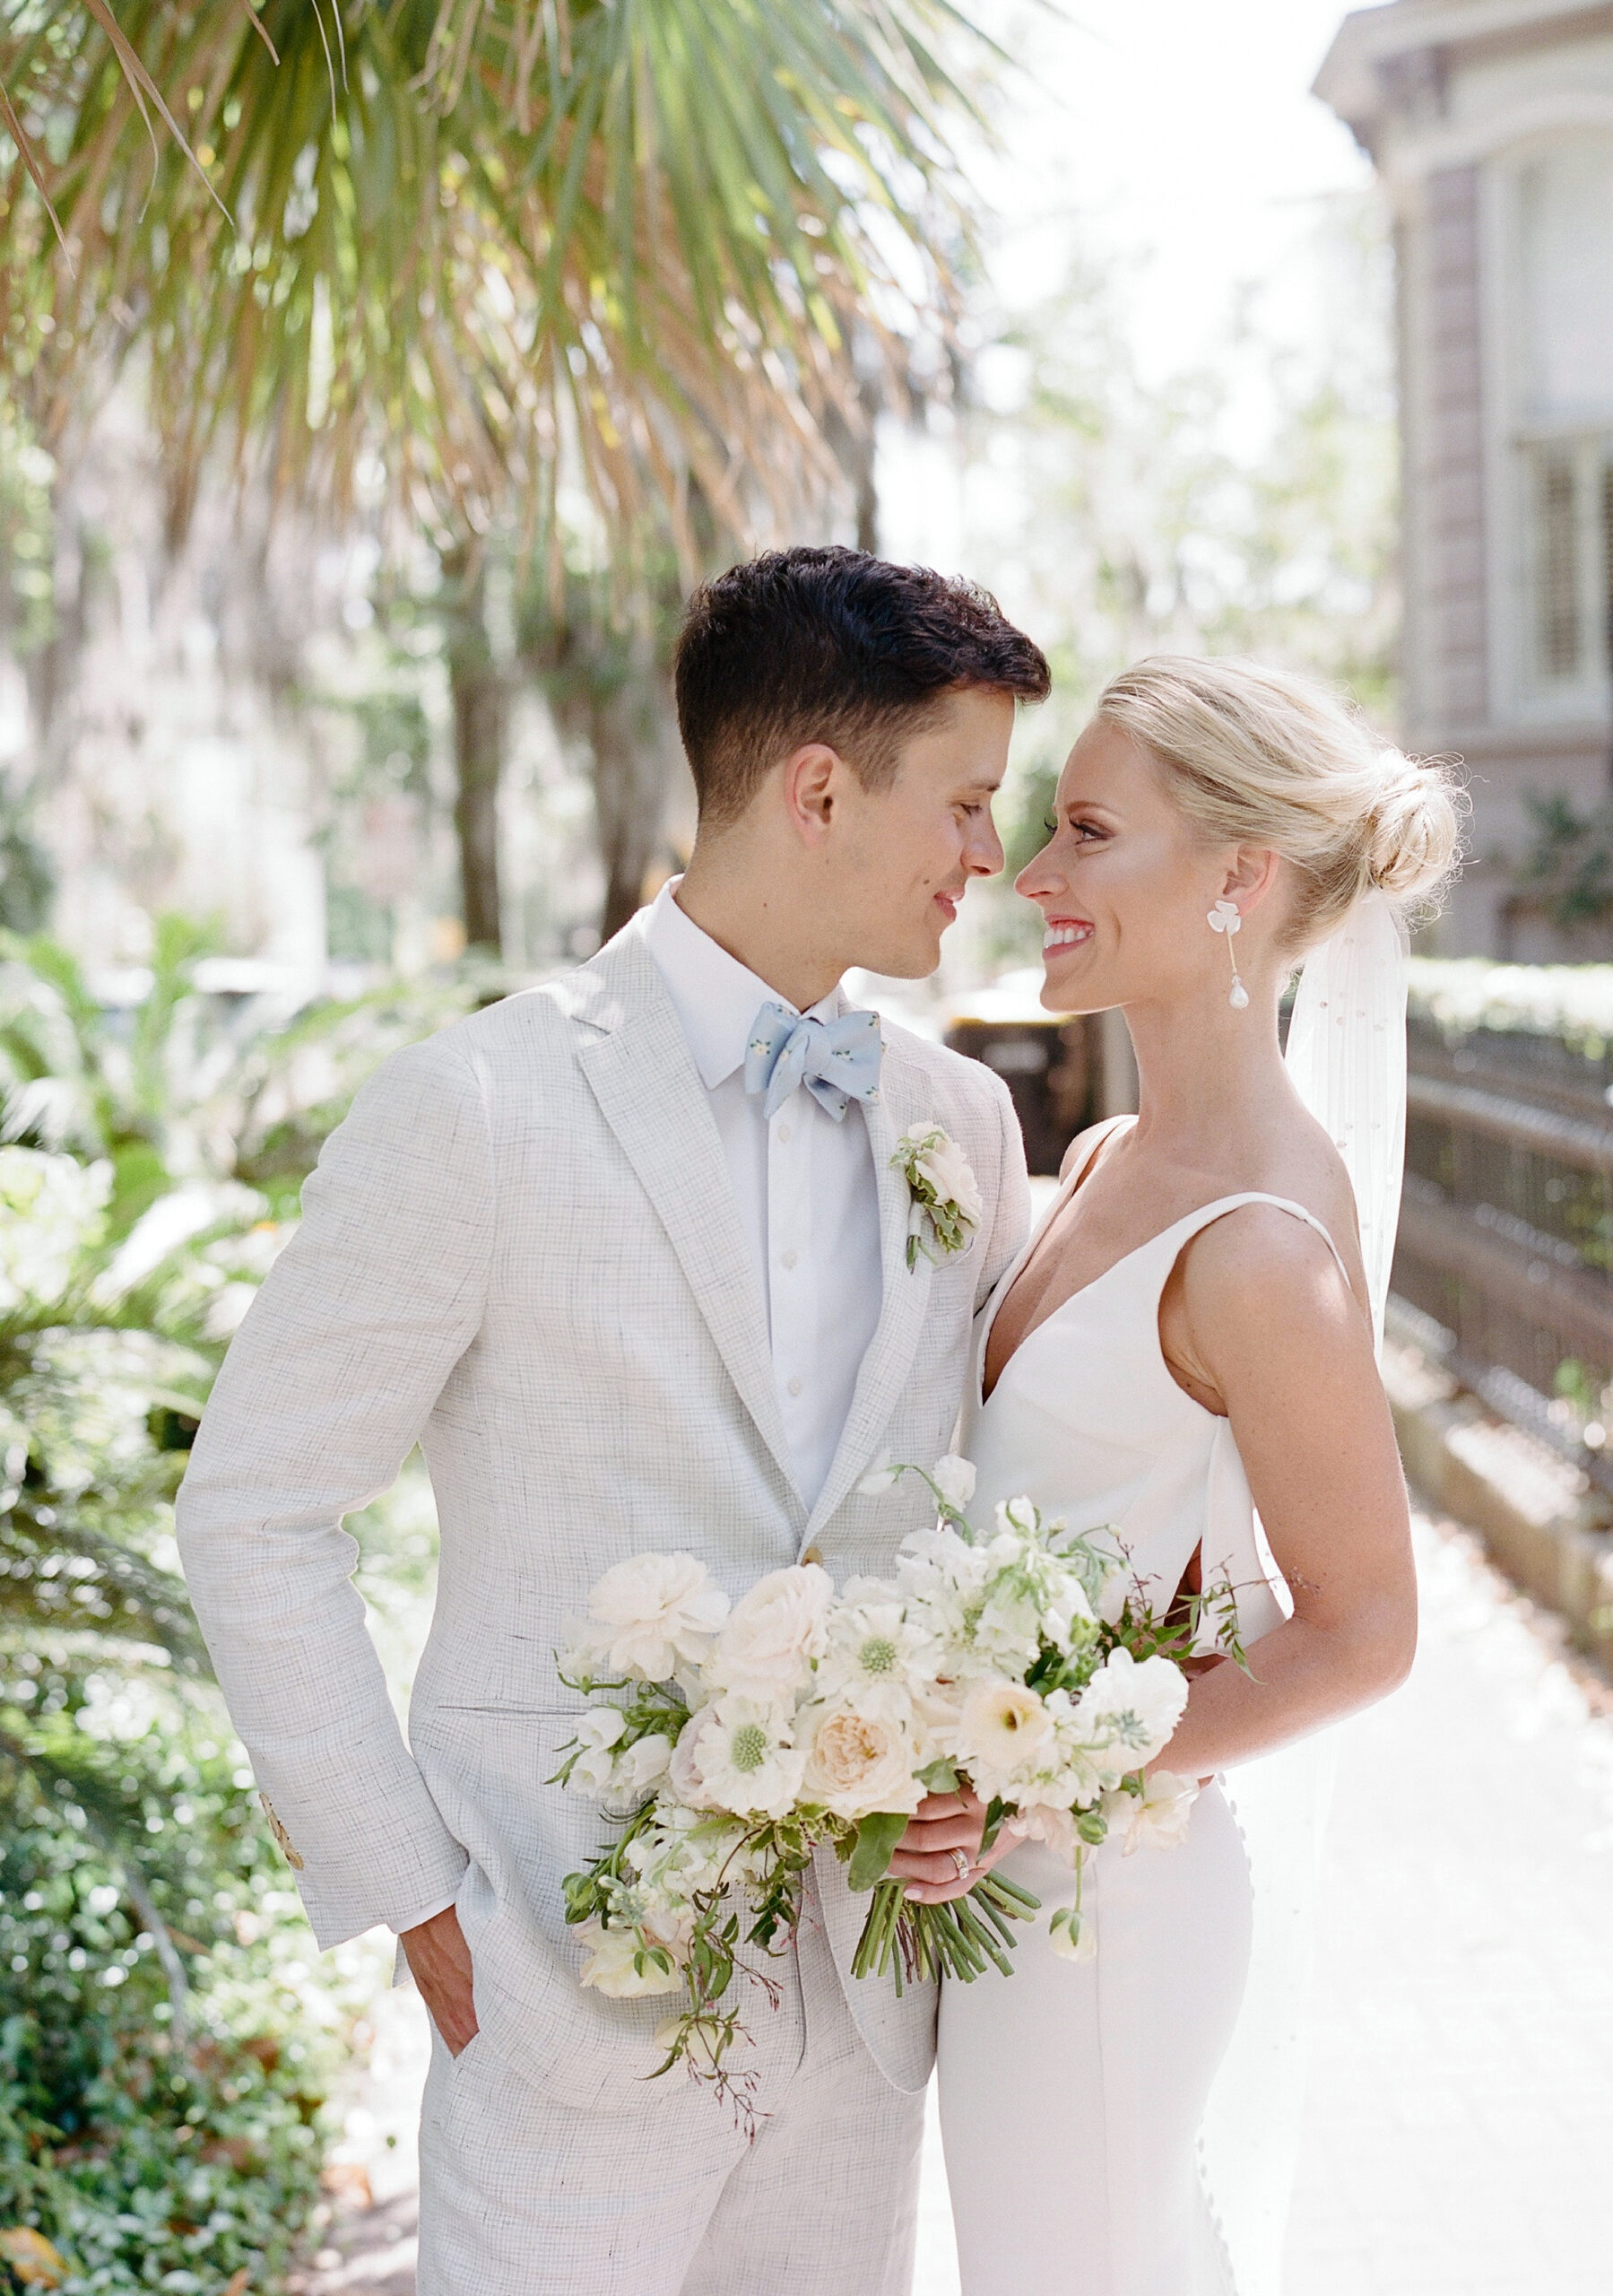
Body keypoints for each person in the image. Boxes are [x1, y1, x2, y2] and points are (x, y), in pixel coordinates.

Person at [172, 545, 1048, 2296]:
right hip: (560, 2003)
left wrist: (976, 1774)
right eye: (964, 802)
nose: (988, 856)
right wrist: (411, 1882)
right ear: (816, 789)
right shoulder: (475, 1102)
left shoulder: (961, 1121)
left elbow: (961, 1515)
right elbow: (254, 1503)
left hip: (870, 2014)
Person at [931, 655, 1461, 2294]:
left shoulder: (1262, 1249)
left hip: (1107, 1918)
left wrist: (1060, 1775)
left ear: (1239, 878)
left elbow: (1365, 1627)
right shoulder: (1102, 1159)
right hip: (1020, 1907)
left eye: (1088, 831)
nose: (1034, 877)